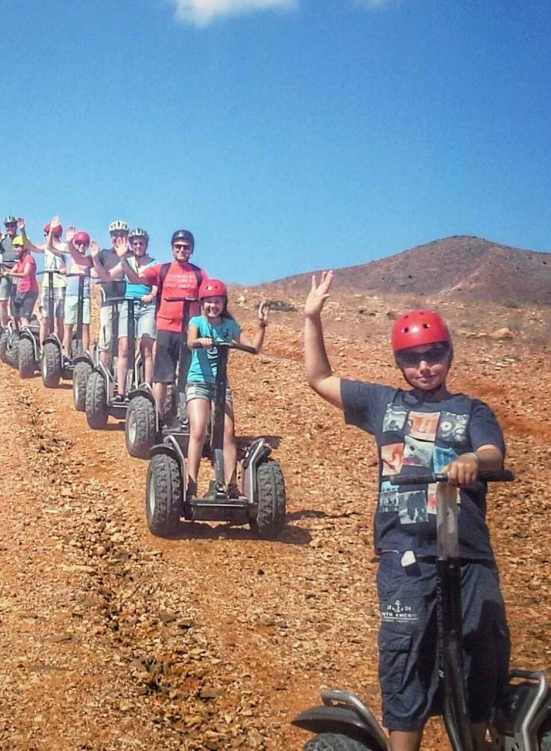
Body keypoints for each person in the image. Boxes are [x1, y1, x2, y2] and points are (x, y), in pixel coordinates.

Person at [301, 271, 509, 751]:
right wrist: (312, 318)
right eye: (413, 358)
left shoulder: (471, 410)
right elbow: (319, 377)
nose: (424, 366)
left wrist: (471, 460)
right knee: (405, 649)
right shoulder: (381, 403)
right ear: (400, 362)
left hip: (469, 553)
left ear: (449, 355)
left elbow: (494, 453)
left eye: (434, 354)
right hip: (405, 552)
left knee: (482, 650)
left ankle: (475, 743)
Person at [184, 280, 267, 499]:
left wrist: (261, 325)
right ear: (202, 303)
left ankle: (231, 486)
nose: (213, 306)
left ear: (224, 303)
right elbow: (190, 342)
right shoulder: (197, 322)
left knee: (228, 434)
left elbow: (254, 348)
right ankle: (190, 485)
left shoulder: (229, 326)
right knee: (199, 430)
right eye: (209, 302)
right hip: (198, 381)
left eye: (218, 302)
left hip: (221, 384)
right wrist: (201, 340)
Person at [138, 229, 207, 422]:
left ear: (191, 250)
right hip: (166, 328)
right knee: (161, 376)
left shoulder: (199, 274)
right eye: (178, 246)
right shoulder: (163, 269)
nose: (182, 250)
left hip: (189, 331)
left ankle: (184, 416)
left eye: (186, 247)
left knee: (186, 377)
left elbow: (210, 300)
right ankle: (158, 417)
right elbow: (138, 277)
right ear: (172, 248)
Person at [88, 221, 134, 398]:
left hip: (128, 303)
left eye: (121, 233)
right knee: (106, 342)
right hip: (108, 302)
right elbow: (95, 273)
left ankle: (126, 385)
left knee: (126, 344)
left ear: (127, 235)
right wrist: (94, 260)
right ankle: (102, 382)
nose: (117, 237)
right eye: (114, 234)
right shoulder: (104, 254)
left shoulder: (132, 255)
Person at [114, 227, 157, 395]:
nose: (138, 246)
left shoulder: (154, 263)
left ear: (146, 245)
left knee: (146, 347)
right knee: (124, 347)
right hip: (129, 305)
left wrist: (151, 295)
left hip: (146, 306)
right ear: (131, 245)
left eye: (141, 243)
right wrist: (94, 260)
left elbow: (156, 286)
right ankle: (121, 392)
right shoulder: (126, 261)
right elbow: (107, 275)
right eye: (135, 243)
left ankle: (147, 387)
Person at [49, 228, 96, 351]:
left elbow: (96, 272)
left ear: (87, 246)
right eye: (78, 243)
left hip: (84, 295)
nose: (81, 246)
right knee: (68, 325)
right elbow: (50, 248)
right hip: (71, 294)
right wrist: (52, 232)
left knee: (85, 325)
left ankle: (86, 353)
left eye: (84, 244)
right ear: (74, 244)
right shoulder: (68, 257)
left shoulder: (89, 259)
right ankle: (66, 353)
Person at [9, 241, 39, 331]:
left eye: (17, 246)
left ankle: (25, 338)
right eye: (14, 247)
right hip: (21, 290)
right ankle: (18, 336)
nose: (15, 249)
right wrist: (7, 271)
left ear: (24, 248)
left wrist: (11, 274)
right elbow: (12, 271)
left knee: (24, 317)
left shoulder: (29, 259)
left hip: (30, 291)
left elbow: (26, 273)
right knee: (16, 316)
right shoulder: (20, 261)